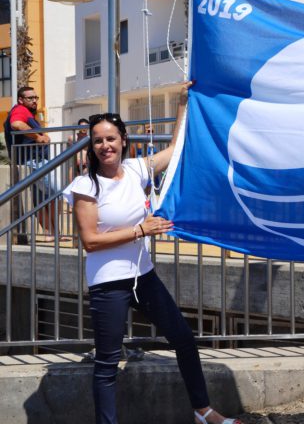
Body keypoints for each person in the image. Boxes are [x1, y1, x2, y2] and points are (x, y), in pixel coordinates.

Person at [62, 83, 240, 424]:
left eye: (110, 138)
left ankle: (203, 411)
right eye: (97, 140)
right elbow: (91, 240)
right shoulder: (85, 186)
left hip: (143, 277)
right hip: (108, 284)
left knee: (184, 339)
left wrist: (182, 104)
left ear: (123, 141)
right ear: (92, 145)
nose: (104, 145)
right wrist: (141, 230)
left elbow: (174, 149)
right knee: (107, 363)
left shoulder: (136, 170)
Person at [4, 86, 57, 241]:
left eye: (36, 98)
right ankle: (53, 232)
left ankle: (51, 233)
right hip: (32, 161)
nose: (34, 100)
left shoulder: (28, 113)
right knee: (56, 191)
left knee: (40, 199)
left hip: (33, 160)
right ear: (21, 100)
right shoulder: (20, 110)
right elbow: (16, 125)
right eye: (30, 98)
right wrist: (38, 137)